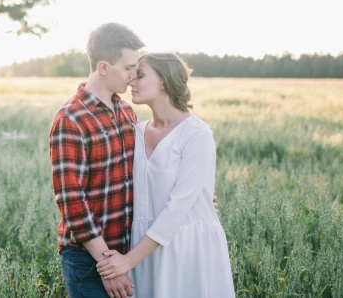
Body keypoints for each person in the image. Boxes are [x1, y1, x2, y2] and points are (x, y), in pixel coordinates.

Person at [49, 24, 219, 298]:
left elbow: (149, 173)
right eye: (129, 68)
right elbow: (71, 201)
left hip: (130, 250)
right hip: (91, 256)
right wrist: (109, 264)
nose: (132, 77)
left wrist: (198, 199)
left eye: (138, 70)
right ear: (103, 67)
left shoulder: (128, 114)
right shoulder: (71, 118)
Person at [95, 52, 235, 297]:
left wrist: (127, 261)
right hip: (143, 247)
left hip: (186, 248)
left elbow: (179, 208)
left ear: (164, 80)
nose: (131, 81)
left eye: (140, 75)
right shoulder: (135, 131)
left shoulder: (196, 134)